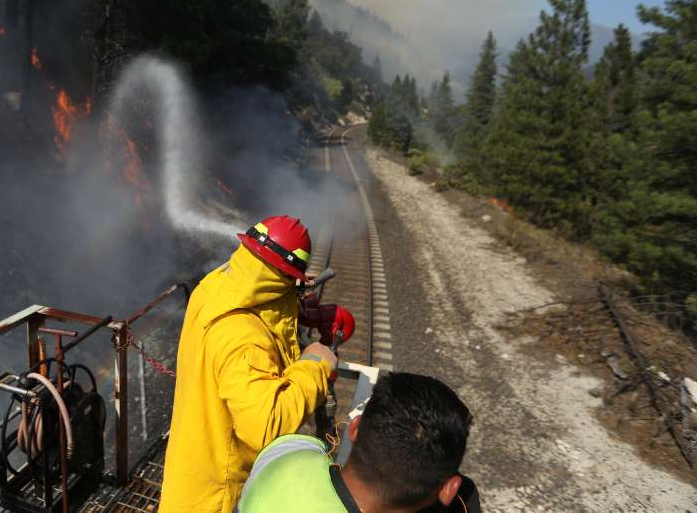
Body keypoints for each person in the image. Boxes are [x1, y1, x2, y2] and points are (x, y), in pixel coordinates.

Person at [160, 215, 337, 513]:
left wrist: (295, 310)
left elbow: (263, 297)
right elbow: (267, 426)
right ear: (289, 276)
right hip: (219, 495)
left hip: (191, 470)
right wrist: (314, 366)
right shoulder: (245, 337)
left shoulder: (214, 286)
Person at [236, 371, 480, 513]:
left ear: (354, 428)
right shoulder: (457, 495)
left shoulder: (285, 455)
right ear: (449, 490)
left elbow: (311, 447)